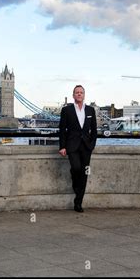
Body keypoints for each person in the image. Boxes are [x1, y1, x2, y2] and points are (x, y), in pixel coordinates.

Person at [58, 85, 97, 213]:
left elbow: (94, 131)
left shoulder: (91, 110)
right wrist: (62, 146)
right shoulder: (66, 110)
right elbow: (62, 129)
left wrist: (92, 145)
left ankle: (78, 202)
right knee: (75, 168)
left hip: (86, 147)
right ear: (73, 95)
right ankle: (76, 187)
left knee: (85, 172)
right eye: (77, 92)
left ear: (84, 95)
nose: (79, 94)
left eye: (81, 92)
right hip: (72, 145)